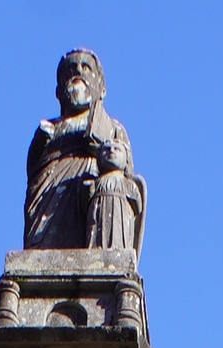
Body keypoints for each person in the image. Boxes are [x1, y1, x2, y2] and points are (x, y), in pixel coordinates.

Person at [24, 49, 145, 255]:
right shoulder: (51, 127)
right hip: (49, 197)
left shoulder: (112, 128)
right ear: (58, 91)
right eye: (71, 69)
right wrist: (40, 141)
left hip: (90, 197)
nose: (78, 71)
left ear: (102, 89)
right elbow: (34, 169)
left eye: (85, 68)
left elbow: (126, 173)